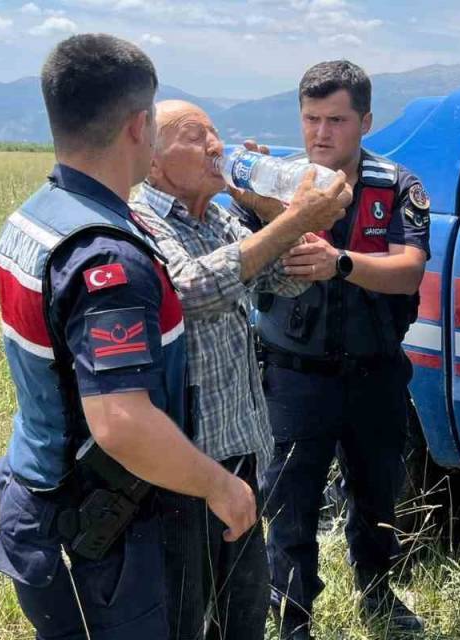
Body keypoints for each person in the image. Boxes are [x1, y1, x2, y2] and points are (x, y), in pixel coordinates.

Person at [0, 34, 260, 639]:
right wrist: (221, 484)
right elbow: (122, 422)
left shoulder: (40, 214)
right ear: (139, 127)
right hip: (102, 535)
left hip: (45, 496)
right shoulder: (109, 256)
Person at [127, 99, 350, 640]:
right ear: (153, 161)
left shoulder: (222, 218)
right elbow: (189, 290)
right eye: (194, 136)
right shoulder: (139, 221)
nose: (215, 147)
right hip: (180, 465)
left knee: (244, 611)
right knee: (183, 613)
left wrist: (271, 209)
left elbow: (293, 277)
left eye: (215, 134)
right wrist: (295, 219)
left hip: (240, 452)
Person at [234, 60, 431, 640]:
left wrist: (340, 264)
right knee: (289, 506)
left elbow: (408, 272)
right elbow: (235, 257)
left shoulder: (396, 186)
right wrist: (244, 190)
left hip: (374, 373)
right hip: (295, 374)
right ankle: (292, 621)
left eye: (337, 120)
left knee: (376, 496)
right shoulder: (274, 181)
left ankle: (377, 595)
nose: (321, 133)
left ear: (365, 121)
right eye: (311, 119)